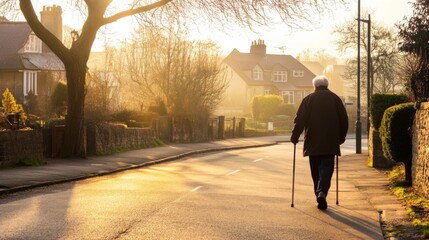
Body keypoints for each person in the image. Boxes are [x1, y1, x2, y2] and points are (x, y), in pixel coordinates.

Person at [290, 75, 348, 210]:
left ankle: (318, 194)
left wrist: (295, 135)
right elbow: (343, 119)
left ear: (315, 86)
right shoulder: (335, 99)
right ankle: (322, 191)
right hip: (330, 141)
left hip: (312, 142)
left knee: (315, 171)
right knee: (327, 169)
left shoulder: (308, 99)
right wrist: (341, 136)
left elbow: (300, 119)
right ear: (327, 85)